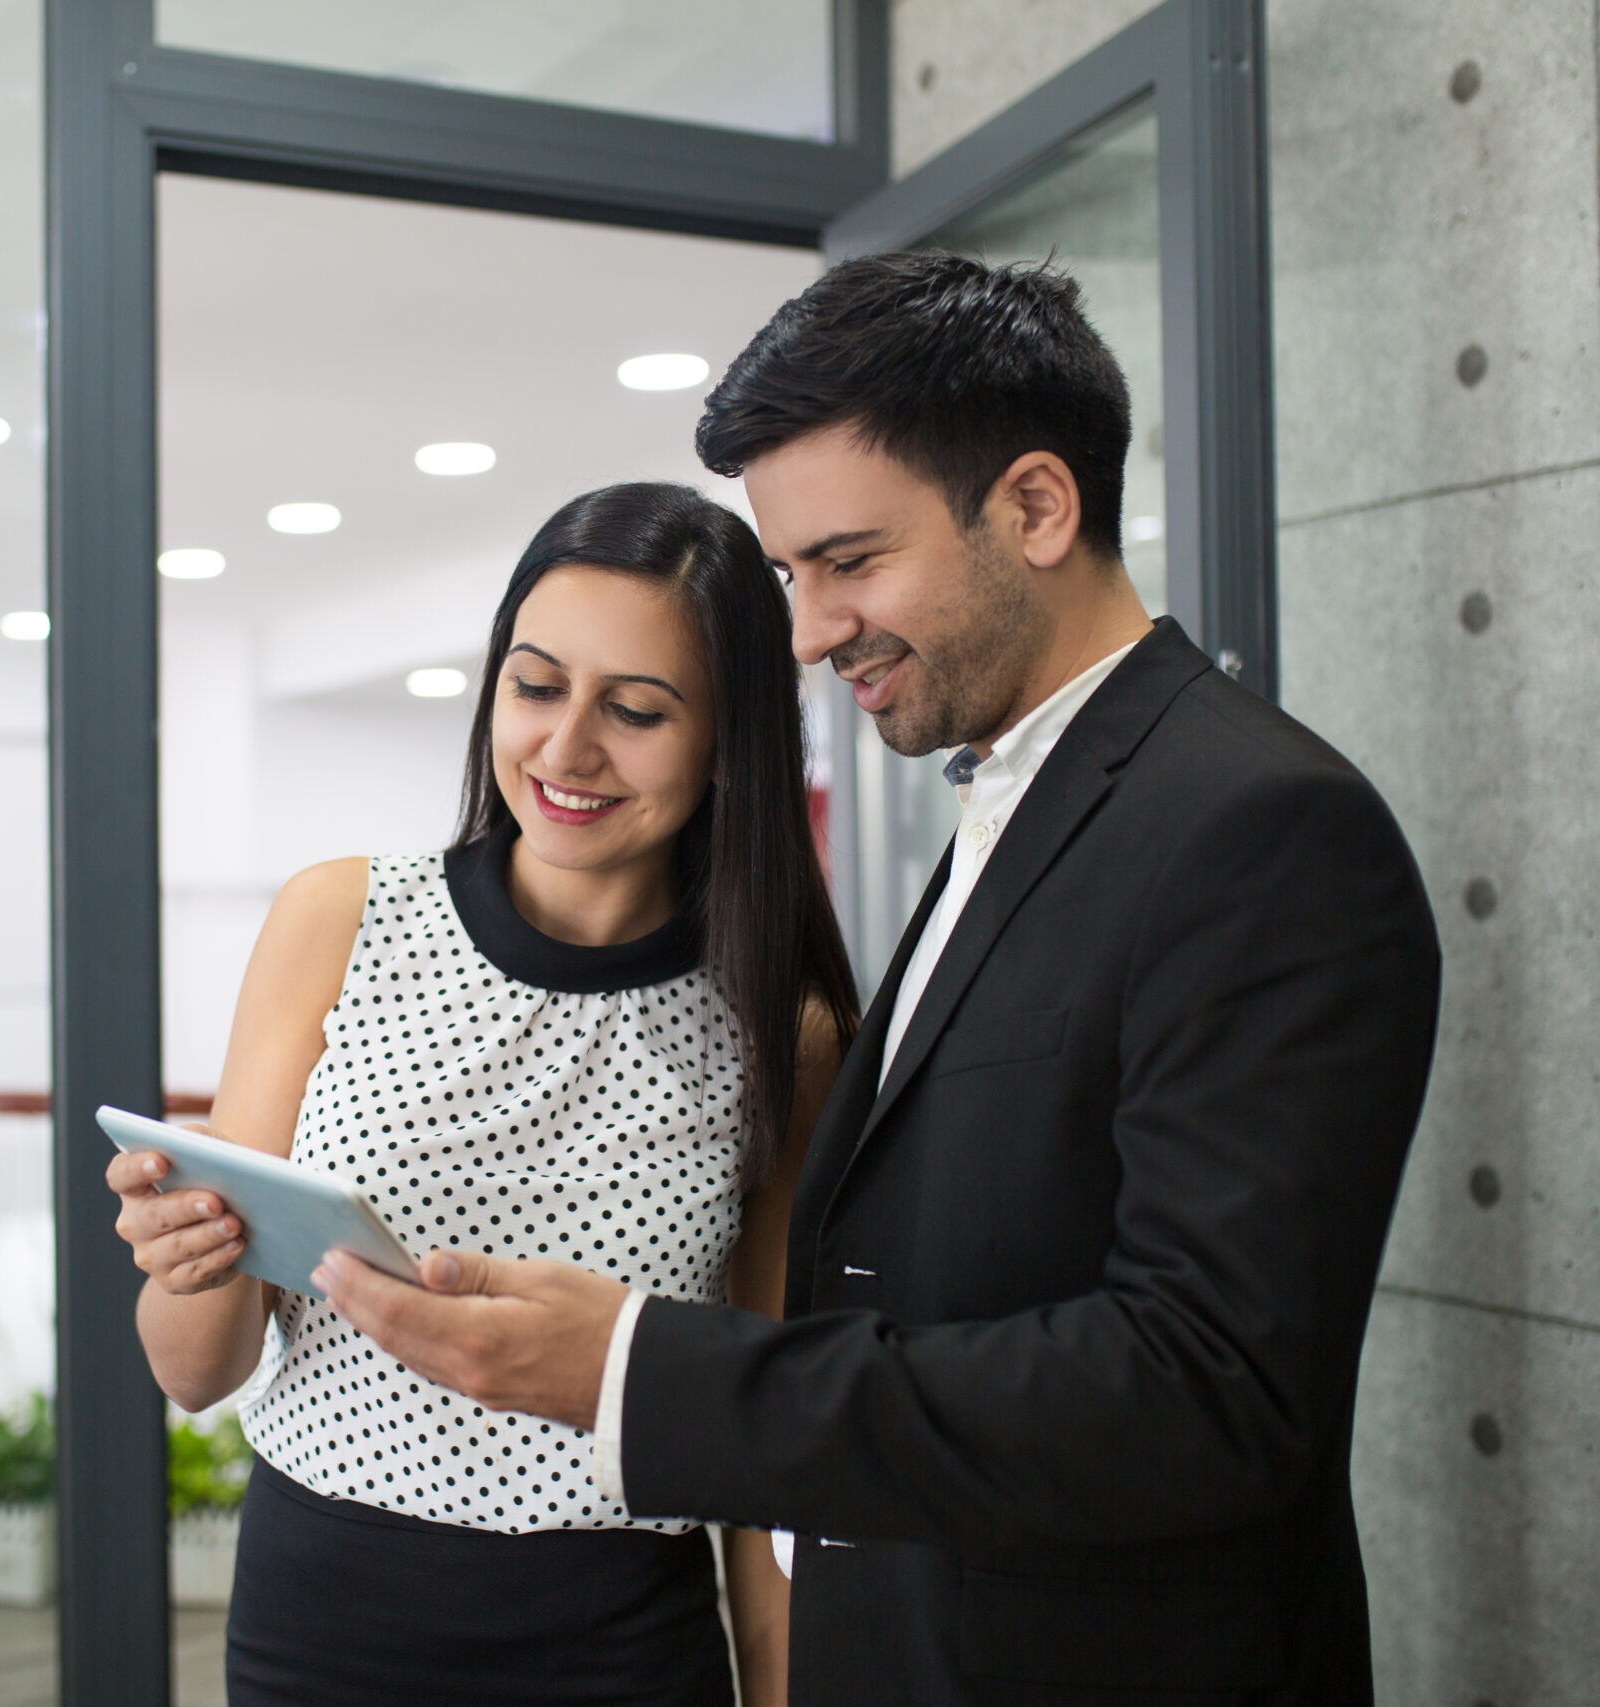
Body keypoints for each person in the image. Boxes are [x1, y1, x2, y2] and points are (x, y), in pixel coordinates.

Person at [319, 254, 1444, 1705]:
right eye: (794, 576)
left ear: (1035, 507)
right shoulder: (1020, 800)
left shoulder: (1259, 825)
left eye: (849, 562)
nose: (806, 631)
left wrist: (644, 1370)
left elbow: (1208, 1388)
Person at [106, 482, 860, 1707]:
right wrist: (188, 1264)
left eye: (636, 710)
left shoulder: (784, 1025)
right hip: (320, 1627)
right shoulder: (339, 919)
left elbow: (762, 1438)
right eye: (536, 686)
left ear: (731, 739)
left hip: (618, 1647)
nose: (565, 750)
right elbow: (193, 1373)